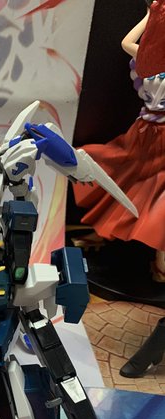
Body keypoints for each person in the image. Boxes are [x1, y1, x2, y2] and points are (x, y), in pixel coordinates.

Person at [73, 1, 165, 281]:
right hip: (144, 133)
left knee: (158, 196)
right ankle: (109, 234)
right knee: (124, 179)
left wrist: (151, 17)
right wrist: (151, 17)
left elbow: (129, 43)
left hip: (155, 135)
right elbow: (127, 43)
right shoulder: (148, 58)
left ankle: (160, 262)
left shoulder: (149, 59)